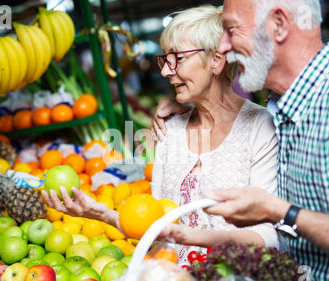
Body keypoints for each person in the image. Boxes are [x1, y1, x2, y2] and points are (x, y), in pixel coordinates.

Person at [151, 0, 329, 281]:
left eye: (231, 29)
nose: (222, 46)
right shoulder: (285, 109)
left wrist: (281, 213)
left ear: (279, 25)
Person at [42, 5, 281, 266]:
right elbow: (155, 226)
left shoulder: (260, 128)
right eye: (165, 60)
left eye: (178, 58)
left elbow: (269, 236)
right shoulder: (170, 129)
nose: (166, 71)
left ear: (216, 59)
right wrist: (100, 213)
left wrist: (190, 236)